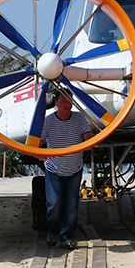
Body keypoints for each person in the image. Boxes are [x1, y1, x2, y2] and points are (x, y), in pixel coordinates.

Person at [41, 90, 93, 250]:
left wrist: (90, 138)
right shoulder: (48, 121)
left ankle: (66, 236)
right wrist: (39, 154)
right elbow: (38, 141)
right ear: (56, 102)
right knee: (54, 204)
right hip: (53, 169)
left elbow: (89, 137)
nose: (68, 102)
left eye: (70, 99)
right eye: (64, 100)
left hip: (74, 169)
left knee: (71, 206)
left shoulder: (79, 118)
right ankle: (52, 232)